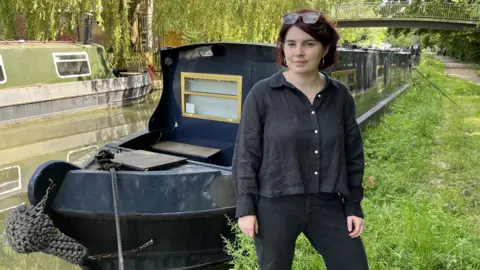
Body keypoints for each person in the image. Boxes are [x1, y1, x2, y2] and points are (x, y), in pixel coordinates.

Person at [232, 9, 369, 270]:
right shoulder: (263, 94)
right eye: (291, 44)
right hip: (275, 203)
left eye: (308, 44)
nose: (298, 53)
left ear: (325, 49)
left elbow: (353, 153)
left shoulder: (339, 96)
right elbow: (246, 154)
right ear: (282, 48)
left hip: (327, 202)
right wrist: (246, 208)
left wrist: (353, 206)